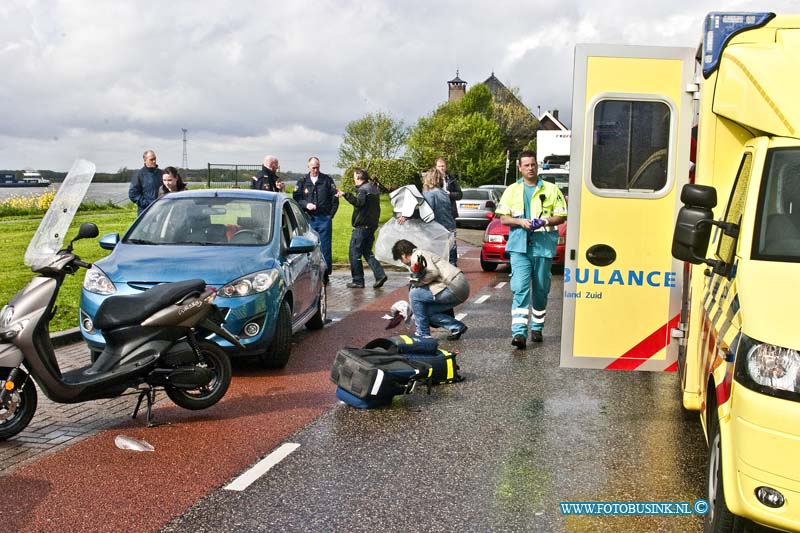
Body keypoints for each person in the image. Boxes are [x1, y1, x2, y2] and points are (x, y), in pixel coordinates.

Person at [496, 150, 567, 350]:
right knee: (519, 287)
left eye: (533, 164)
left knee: (541, 289)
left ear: (537, 166)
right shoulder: (512, 190)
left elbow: (561, 216)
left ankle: (537, 327)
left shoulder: (552, 190)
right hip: (519, 246)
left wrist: (543, 220)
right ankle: (519, 332)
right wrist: (520, 221)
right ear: (519, 168)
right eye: (526, 165)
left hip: (543, 246)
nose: (530, 168)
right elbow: (503, 217)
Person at [391, 239, 469, 340]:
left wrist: (418, 282)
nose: (402, 262)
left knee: (414, 294)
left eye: (400, 259)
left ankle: (422, 333)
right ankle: (457, 327)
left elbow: (433, 272)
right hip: (459, 287)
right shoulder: (422, 254)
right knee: (425, 312)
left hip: (453, 285)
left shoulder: (417, 256)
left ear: (403, 254)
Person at [336, 168, 388, 289]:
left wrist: (345, 194)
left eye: (354, 176)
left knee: (354, 253)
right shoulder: (373, 189)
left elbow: (359, 203)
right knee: (367, 252)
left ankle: (358, 280)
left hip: (362, 227)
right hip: (371, 225)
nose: (354, 178)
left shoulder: (363, 190)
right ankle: (380, 274)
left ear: (358, 177)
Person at [293, 156, 339, 279]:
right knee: (308, 247)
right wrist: (306, 205)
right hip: (309, 219)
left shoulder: (327, 180)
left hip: (324, 218)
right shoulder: (302, 181)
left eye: (317, 167)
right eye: (313, 167)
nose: (315, 170)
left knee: (325, 246)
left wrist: (330, 215)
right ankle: (308, 273)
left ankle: (325, 274)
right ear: (308, 167)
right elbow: (296, 198)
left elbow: (335, 198)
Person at [422, 168, 458, 265]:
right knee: (450, 258)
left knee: (436, 259)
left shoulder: (429, 194)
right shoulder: (444, 193)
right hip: (449, 226)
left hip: (438, 228)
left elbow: (427, 212)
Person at [435, 157, 463, 264]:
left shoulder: (451, 179)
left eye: (443, 165)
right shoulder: (433, 179)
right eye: (439, 166)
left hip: (450, 213)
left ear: (446, 167)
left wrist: (450, 194)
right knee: (438, 240)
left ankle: (453, 263)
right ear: (436, 167)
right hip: (437, 213)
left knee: (451, 239)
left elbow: (460, 194)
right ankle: (440, 262)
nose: (442, 168)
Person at [128, 150, 162, 214]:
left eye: (155, 159)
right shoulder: (139, 175)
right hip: (145, 212)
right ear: (145, 160)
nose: (154, 161)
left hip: (161, 210)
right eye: (151, 160)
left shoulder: (161, 173)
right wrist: (147, 204)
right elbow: (133, 194)